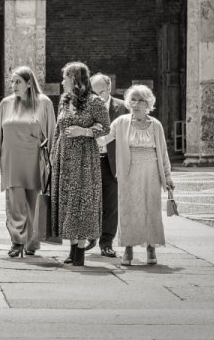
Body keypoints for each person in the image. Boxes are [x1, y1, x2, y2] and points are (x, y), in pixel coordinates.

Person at [0, 66, 56, 258]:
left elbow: (51, 132)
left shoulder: (44, 103)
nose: (14, 85)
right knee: (14, 202)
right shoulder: (6, 103)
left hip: (35, 159)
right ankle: (17, 241)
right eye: (12, 81)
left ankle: (32, 242)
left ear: (29, 83)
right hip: (11, 159)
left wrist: (52, 159)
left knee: (34, 202)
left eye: (18, 81)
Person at [50, 61, 111, 266]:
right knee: (68, 201)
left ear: (75, 79)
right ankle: (72, 247)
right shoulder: (64, 100)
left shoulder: (95, 101)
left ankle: (80, 251)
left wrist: (84, 131)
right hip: (64, 157)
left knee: (82, 202)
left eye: (65, 77)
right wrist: (53, 154)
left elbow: (105, 128)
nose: (62, 81)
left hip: (85, 159)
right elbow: (58, 128)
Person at [110, 84, 174, 266]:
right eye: (133, 100)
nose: (137, 104)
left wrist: (168, 177)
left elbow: (163, 153)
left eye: (141, 101)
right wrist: (85, 133)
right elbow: (104, 137)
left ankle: (151, 247)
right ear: (129, 103)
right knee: (128, 209)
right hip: (128, 172)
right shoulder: (121, 122)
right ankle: (128, 249)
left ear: (148, 104)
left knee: (150, 210)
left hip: (151, 172)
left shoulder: (156, 125)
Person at [89, 73, 129, 258]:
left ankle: (106, 242)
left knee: (110, 204)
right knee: (90, 200)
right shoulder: (87, 107)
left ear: (109, 88)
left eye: (102, 92)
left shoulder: (122, 108)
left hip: (112, 161)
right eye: (94, 92)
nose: (98, 96)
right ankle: (90, 235)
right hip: (90, 161)